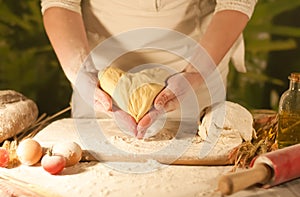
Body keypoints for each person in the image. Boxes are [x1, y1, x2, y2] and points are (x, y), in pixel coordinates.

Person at [40, 0, 257, 138]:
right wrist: (81, 73)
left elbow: (236, 3)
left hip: (197, 60)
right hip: (101, 72)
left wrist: (195, 73)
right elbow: (60, 2)